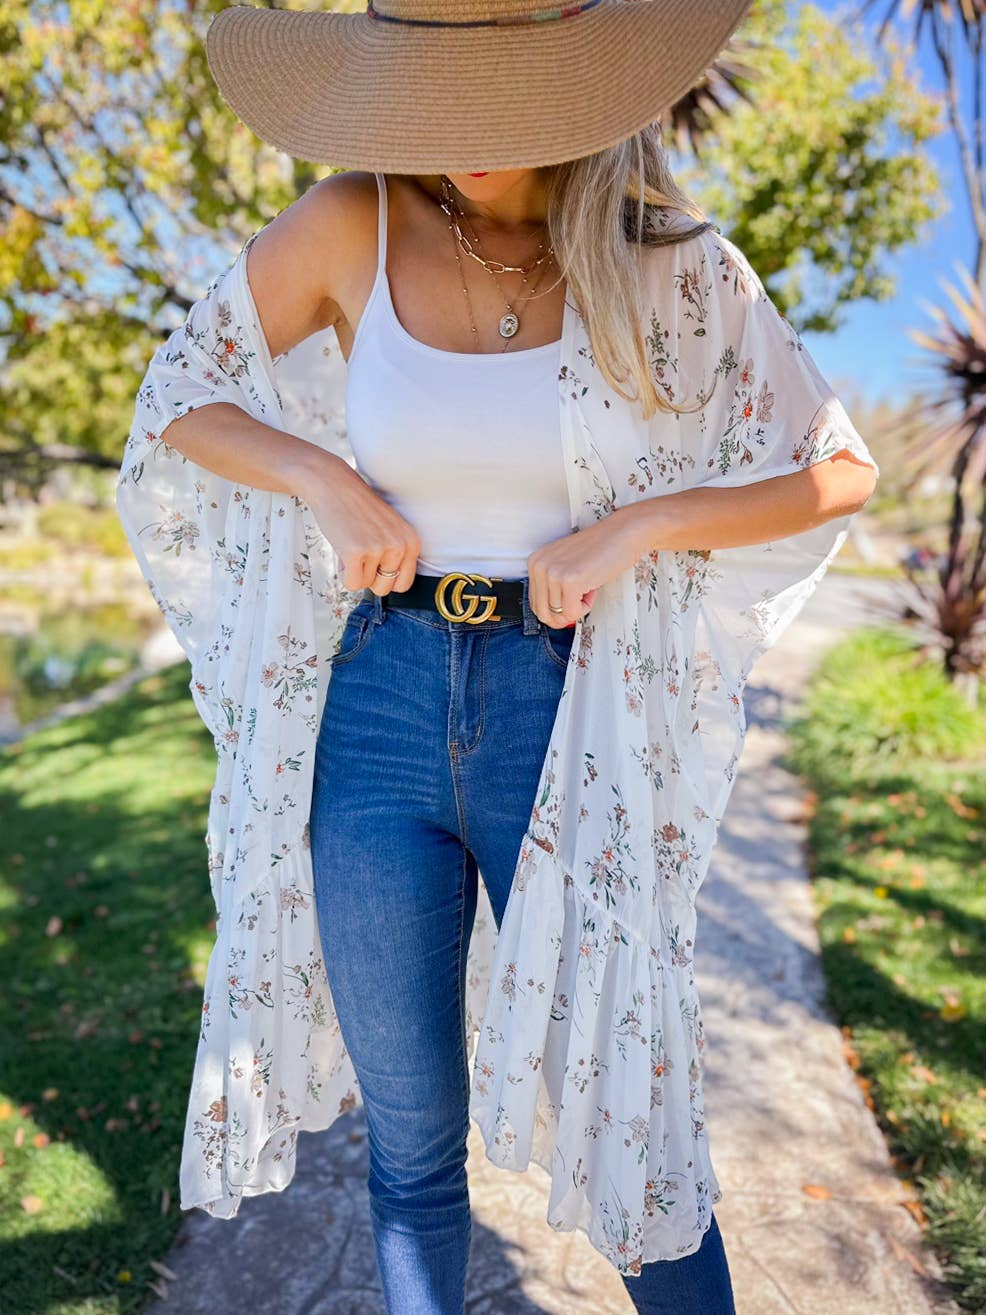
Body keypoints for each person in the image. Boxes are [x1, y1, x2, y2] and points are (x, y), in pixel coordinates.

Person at [115, 3, 880, 1313]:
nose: (461, 129)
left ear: (570, 91)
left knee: (630, 1135)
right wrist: (324, 482)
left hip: (565, 708)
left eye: (496, 92)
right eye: (435, 90)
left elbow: (835, 470)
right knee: (410, 1153)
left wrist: (638, 529)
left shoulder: (667, 258)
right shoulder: (351, 220)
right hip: (376, 709)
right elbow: (182, 394)